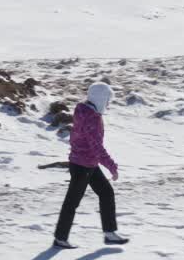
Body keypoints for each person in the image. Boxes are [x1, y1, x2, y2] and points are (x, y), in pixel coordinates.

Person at [53, 82, 130, 248]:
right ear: (100, 99)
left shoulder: (83, 110)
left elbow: (79, 139)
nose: (108, 104)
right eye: (107, 100)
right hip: (83, 166)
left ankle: (109, 233)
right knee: (72, 202)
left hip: (86, 162)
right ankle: (60, 238)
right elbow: (97, 147)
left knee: (106, 193)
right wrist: (112, 166)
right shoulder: (92, 118)